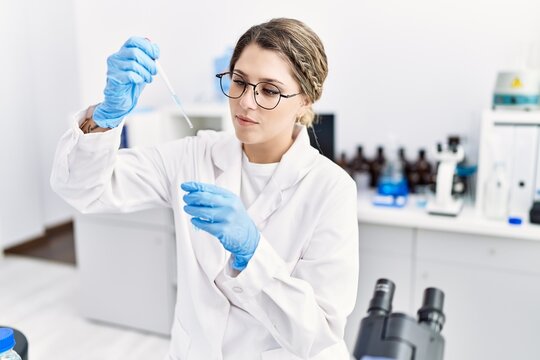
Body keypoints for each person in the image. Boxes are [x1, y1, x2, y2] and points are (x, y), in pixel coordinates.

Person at [51, 18, 359, 360]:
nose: (246, 102)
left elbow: (319, 333)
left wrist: (253, 252)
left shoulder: (331, 189)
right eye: (239, 82)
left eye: (269, 90)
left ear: (306, 100)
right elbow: (83, 189)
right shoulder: (194, 156)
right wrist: (105, 119)